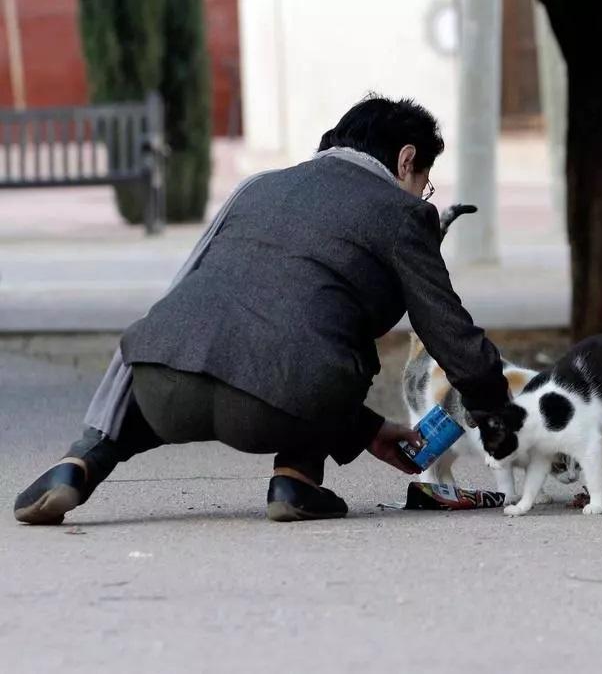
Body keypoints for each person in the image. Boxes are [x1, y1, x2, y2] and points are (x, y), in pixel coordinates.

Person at [14, 95, 511, 523]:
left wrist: (368, 431)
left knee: (196, 343)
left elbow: (187, 292)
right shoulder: (403, 213)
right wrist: (497, 410)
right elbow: (445, 329)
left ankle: (81, 463)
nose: (423, 194)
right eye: (425, 181)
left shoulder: (256, 187)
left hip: (163, 388)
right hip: (273, 409)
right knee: (341, 338)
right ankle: (295, 478)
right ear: (406, 160)